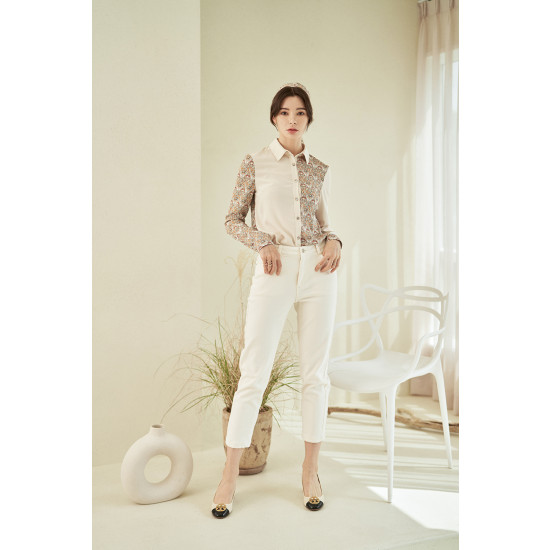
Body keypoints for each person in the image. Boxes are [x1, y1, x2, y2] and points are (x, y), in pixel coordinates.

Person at [211, 82, 342, 518]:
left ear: (308, 119)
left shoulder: (318, 169)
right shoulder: (255, 163)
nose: (292, 119)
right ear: (274, 117)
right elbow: (232, 219)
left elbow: (324, 224)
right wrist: (262, 242)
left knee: (316, 375)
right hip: (275, 269)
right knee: (254, 373)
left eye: (300, 112)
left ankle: (310, 471)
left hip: (318, 271)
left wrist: (335, 241)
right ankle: (229, 475)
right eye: (285, 112)